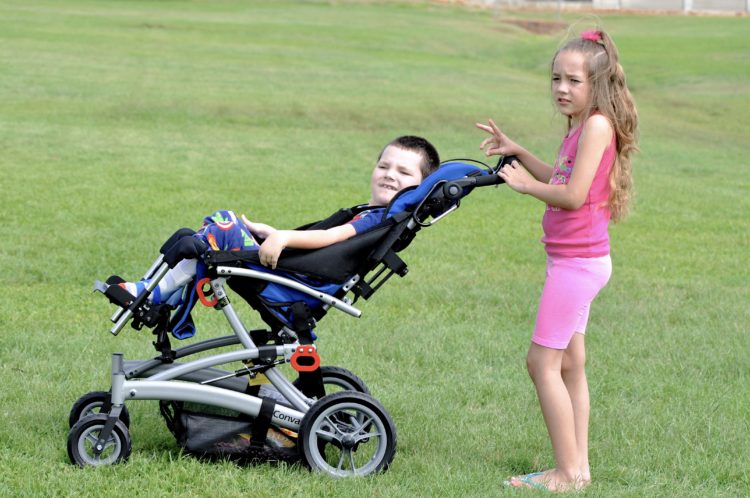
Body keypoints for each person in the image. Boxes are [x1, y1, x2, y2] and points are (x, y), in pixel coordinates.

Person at [476, 28, 638, 492]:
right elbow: (563, 175)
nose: (562, 89)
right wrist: (520, 153)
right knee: (569, 364)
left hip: (577, 266)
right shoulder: (583, 126)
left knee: (540, 363)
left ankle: (565, 474)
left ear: (598, 84)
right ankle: (578, 469)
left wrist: (525, 186)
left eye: (573, 81)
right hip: (574, 261)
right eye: (555, 79)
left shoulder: (598, 125)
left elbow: (571, 195)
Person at [120, 135, 440, 303]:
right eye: (384, 166)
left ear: (420, 185)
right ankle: (158, 293)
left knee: (222, 227)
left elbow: (331, 239)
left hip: (295, 287)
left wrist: (283, 237)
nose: (388, 175)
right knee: (200, 235)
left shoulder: (380, 220)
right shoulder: (370, 213)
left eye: (403, 172)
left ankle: (153, 294)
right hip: (298, 274)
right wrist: (270, 232)